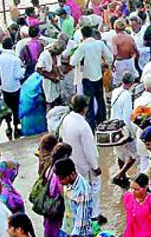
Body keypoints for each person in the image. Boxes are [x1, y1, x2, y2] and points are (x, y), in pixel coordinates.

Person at [58, 95, 102, 223]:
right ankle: (94, 216)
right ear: (84, 109)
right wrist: (95, 167)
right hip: (85, 165)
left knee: (78, 191)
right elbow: (89, 150)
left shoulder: (66, 120)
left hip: (73, 163)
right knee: (93, 188)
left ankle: (82, 215)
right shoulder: (83, 126)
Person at [70, 25, 113, 128]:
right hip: (98, 75)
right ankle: (102, 122)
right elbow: (110, 58)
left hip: (87, 77)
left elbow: (73, 62)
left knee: (89, 103)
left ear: (82, 35)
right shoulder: (99, 44)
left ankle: (91, 125)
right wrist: (104, 65)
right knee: (100, 100)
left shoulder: (82, 46)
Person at [110, 71, 138, 186]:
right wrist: (132, 134)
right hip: (123, 130)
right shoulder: (127, 95)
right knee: (135, 155)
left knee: (120, 154)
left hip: (113, 128)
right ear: (131, 83)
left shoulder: (115, 91)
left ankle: (123, 177)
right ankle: (119, 175)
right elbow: (127, 117)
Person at [54, 158, 94, 237]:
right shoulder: (69, 183)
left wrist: (74, 234)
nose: (59, 182)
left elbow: (82, 218)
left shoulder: (83, 191)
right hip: (67, 226)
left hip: (80, 233)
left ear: (71, 175)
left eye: (61, 179)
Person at [0, 37, 25, 139]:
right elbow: (18, 75)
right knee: (16, 108)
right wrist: (23, 70)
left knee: (7, 108)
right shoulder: (15, 60)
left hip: (5, 87)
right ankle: (16, 127)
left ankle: (8, 126)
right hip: (15, 87)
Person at [122, 173, 151, 237]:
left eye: (136, 189)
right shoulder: (127, 196)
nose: (132, 191)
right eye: (131, 188)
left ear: (145, 187)